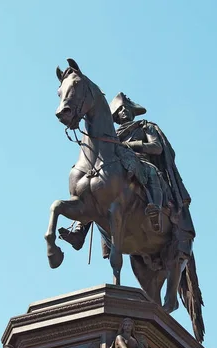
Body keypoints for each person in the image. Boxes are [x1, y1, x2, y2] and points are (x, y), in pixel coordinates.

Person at [59, 92, 194, 256]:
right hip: (119, 162)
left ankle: (155, 209)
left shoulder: (144, 126)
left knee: (152, 172)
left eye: (125, 108)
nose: (123, 112)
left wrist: (132, 145)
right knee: (94, 191)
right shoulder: (113, 134)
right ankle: (80, 230)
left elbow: (156, 147)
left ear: (132, 111)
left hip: (142, 161)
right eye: (119, 110)